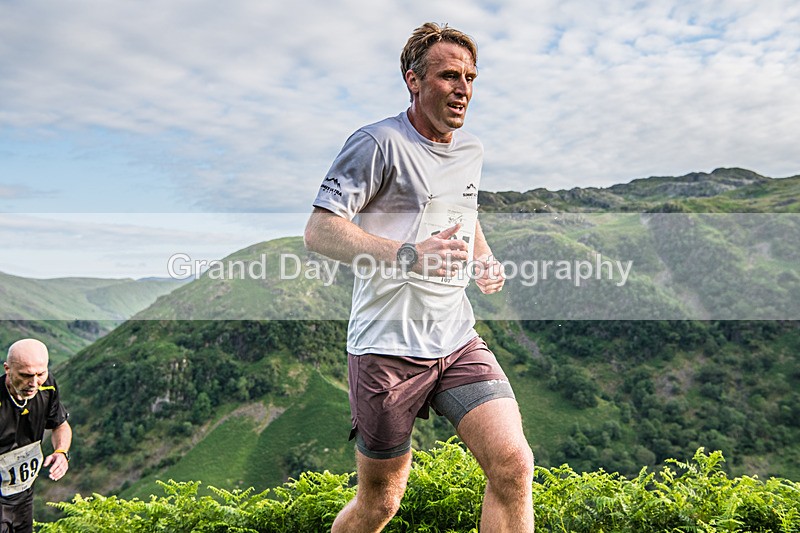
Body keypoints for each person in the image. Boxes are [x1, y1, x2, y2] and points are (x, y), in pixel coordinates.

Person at [304, 22, 534, 532]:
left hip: (455, 340)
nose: (463, 89)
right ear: (413, 79)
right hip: (386, 350)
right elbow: (319, 231)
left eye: (471, 77)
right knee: (380, 503)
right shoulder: (376, 144)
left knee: (514, 467)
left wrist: (484, 258)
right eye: (450, 75)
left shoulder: (471, 150)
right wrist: (410, 255)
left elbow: (465, 211)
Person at [1, 339, 72, 533]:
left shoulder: (47, 387)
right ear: (7, 369)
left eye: (40, 374)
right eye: (25, 375)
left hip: (24, 496)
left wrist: (61, 451)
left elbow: (61, 425)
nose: (33, 383)